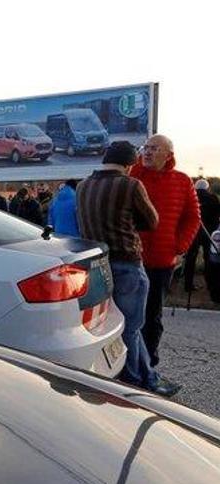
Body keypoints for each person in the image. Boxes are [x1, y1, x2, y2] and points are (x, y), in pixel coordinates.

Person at [77, 141, 179, 397]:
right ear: (129, 163)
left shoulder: (83, 186)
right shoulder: (130, 184)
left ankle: (146, 376)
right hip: (127, 265)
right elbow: (152, 221)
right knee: (131, 328)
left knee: (108, 326)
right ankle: (135, 381)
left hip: (98, 265)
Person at [130, 135, 201, 366]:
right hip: (131, 258)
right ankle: (127, 362)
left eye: (154, 149)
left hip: (162, 261)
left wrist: (180, 248)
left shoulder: (182, 181)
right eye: (146, 148)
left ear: (168, 154)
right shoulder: (133, 176)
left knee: (152, 315)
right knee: (127, 314)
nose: (147, 153)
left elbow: (193, 218)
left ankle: (149, 364)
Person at [184, 179, 220, 291]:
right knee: (208, 259)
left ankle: (188, 285)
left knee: (190, 259)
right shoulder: (213, 198)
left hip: (193, 233)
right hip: (208, 234)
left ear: (195, 187)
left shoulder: (190, 197)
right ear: (207, 188)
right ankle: (210, 285)